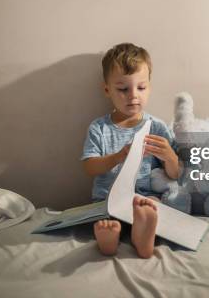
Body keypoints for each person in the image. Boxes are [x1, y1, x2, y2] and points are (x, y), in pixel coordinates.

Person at [81, 42, 180, 258]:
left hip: (144, 197)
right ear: (107, 90)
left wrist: (170, 157)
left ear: (149, 88)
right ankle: (110, 239)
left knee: (153, 206)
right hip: (108, 201)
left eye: (141, 88)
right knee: (106, 220)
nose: (133, 95)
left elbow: (175, 174)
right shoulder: (99, 127)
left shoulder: (156, 126)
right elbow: (89, 167)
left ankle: (141, 235)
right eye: (123, 89)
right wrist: (117, 157)